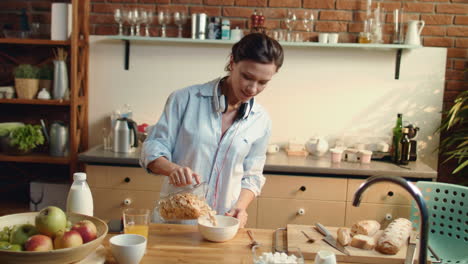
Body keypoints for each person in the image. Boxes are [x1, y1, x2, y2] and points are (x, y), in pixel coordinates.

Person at [140, 33, 284, 228]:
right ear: (232, 63)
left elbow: (253, 176)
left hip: (223, 224)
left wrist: (240, 208)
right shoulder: (184, 99)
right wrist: (173, 169)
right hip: (177, 223)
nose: (252, 88)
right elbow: (153, 148)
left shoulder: (261, 120)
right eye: (247, 77)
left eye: (263, 82)